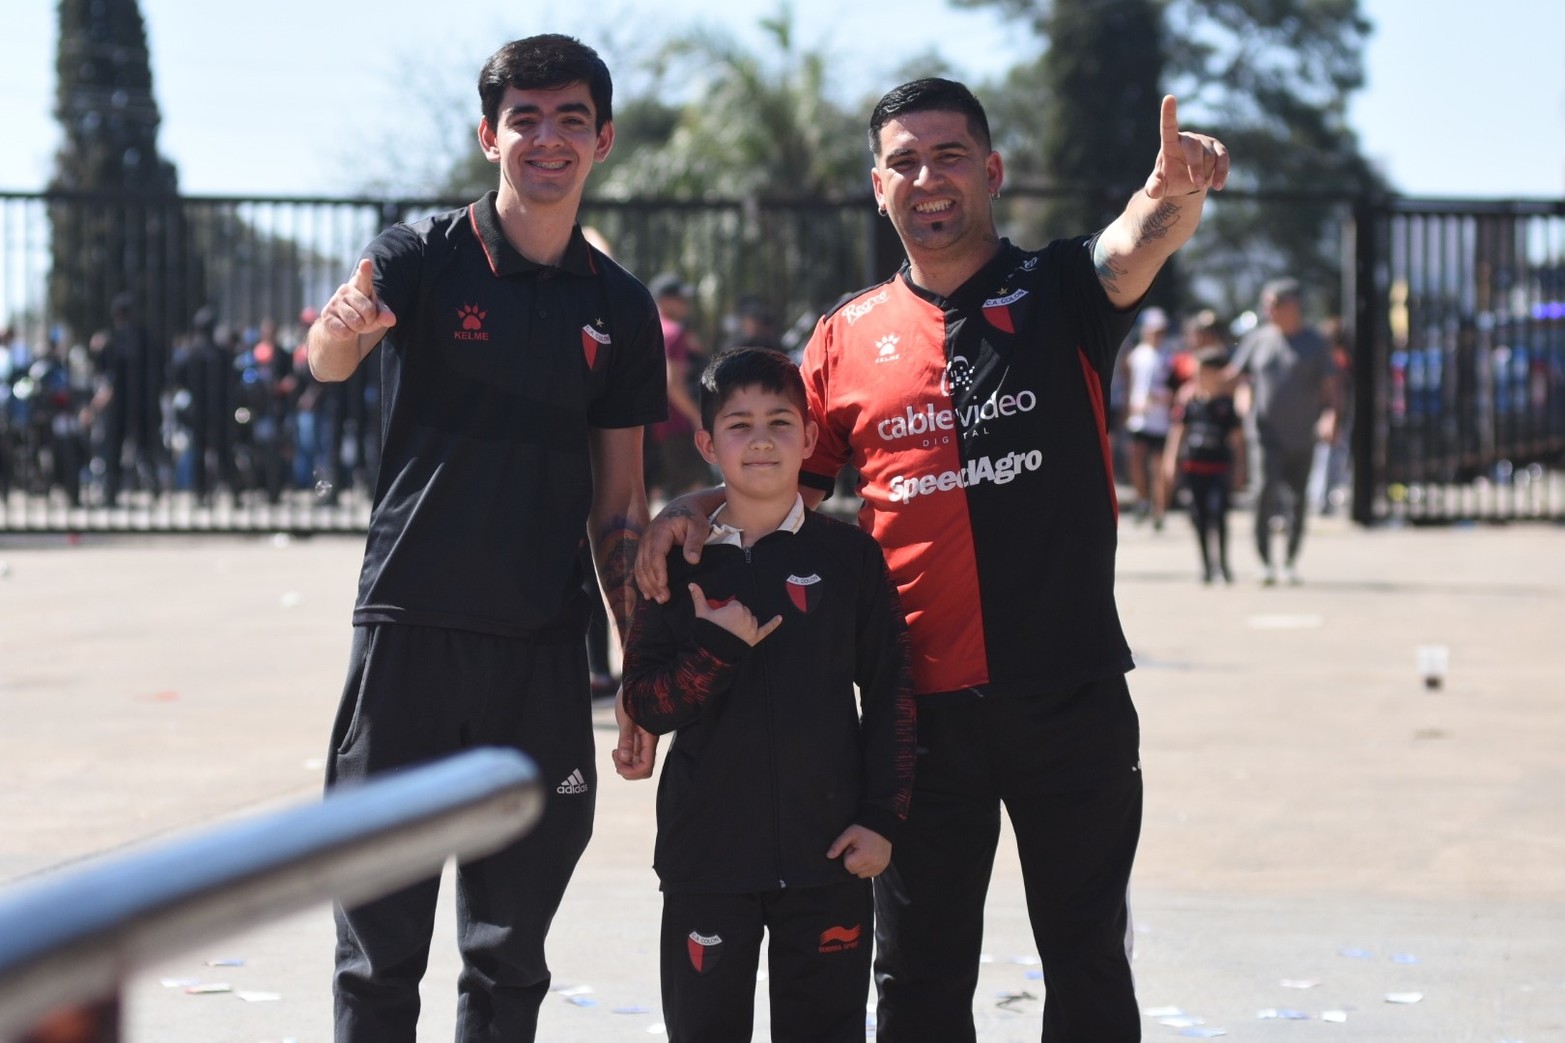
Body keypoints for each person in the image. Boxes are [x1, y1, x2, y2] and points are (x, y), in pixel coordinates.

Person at [635, 78, 1228, 1042]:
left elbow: (1131, 247)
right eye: (903, 162)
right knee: (916, 977)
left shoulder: (1058, 289)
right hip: (918, 716)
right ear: (878, 188)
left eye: (949, 155)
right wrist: (685, 509)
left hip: (1068, 692)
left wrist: (1171, 193)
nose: (927, 178)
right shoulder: (844, 336)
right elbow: (778, 481)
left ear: (990, 170)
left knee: (1085, 958)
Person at [306, 34, 666, 1043]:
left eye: (569, 120)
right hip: (410, 632)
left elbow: (620, 504)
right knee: (377, 950)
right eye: (524, 119)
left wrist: (636, 663)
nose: (546, 139)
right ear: (487, 136)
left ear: (601, 140)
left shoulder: (620, 307)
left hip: (542, 655)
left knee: (509, 957)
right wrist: (342, 327)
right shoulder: (422, 255)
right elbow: (328, 356)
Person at [622, 346, 916, 1042]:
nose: (760, 440)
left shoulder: (849, 557)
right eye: (739, 424)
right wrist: (715, 649)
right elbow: (647, 702)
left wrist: (882, 818)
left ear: (810, 438)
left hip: (829, 855)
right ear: (707, 443)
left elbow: (893, 693)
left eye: (780, 422)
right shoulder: (675, 561)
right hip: (706, 859)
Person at [1229, 277, 1339, 585]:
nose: (1268, 310)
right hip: (1265, 434)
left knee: (1297, 499)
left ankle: (1289, 561)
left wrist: (1330, 418)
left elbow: (1331, 389)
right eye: (1266, 304)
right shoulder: (1257, 339)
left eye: (1274, 304)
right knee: (1263, 491)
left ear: (1293, 306)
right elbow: (1238, 377)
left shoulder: (1316, 342)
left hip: (1302, 434)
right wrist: (1239, 396)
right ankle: (1264, 561)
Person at [1162, 347, 1246, 583]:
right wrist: (1171, 461)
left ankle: (1223, 564)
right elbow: (1178, 433)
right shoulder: (1190, 403)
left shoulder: (1227, 406)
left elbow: (1238, 440)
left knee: (1219, 514)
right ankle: (1207, 566)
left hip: (1219, 469)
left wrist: (1241, 468)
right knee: (1199, 517)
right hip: (1194, 468)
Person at [645, 272, 712, 504]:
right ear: (665, 300)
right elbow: (672, 385)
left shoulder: (645, 328)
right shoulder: (674, 332)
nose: (685, 304)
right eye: (680, 299)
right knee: (692, 495)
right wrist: (696, 417)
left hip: (648, 426)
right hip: (676, 424)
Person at [1121, 305, 1172, 528]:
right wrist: (1128, 407)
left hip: (1161, 421)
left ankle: (1159, 510)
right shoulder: (1137, 355)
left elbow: (1174, 387)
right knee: (1135, 460)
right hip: (1139, 418)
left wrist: (1162, 397)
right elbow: (1129, 384)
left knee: (1158, 467)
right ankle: (1143, 500)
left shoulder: (1169, 356)